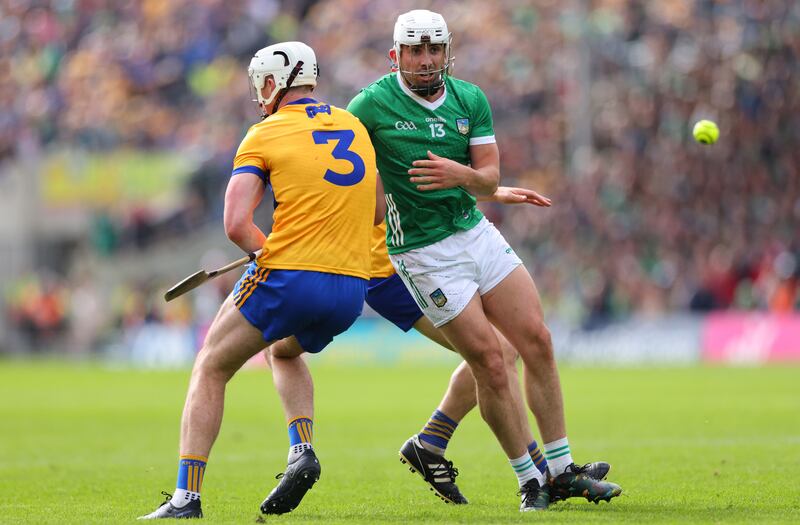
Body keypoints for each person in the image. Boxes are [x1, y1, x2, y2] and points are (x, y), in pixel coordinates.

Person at [346, 10, 622, 511]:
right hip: (423, 252)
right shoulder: (369, 105)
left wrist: (462, 175)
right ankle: (529, 480)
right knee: (491, 363)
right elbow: (337, 168)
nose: (426, 60)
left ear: (447, 52)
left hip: (475, 232)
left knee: (536, 340)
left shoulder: (470, 98)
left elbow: (488, 177)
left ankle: (560, 469)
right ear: (396, 56)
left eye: (434, 50)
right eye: (415, 51)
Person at [138, 41, 383, 519]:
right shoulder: (354, 126)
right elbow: (374, 210)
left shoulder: (264, 132)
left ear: (274, 83)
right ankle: (302, 449)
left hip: (290, 277)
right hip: (352, 287)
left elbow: (236, 224)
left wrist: (268, 251)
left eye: (260, 83)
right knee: (284, 350)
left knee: (210, 364)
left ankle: (186, 499)